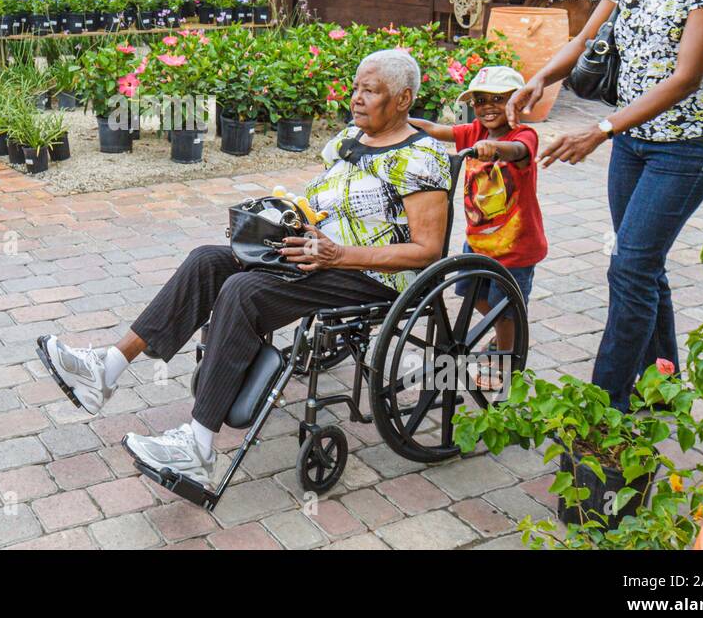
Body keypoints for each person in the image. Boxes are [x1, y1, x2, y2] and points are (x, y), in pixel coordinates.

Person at [37, 49, 451, 489]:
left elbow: (427, 251)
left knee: (242, 290)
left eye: (371, 91)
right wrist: (266, 224)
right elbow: (324, 204)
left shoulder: (421, 159)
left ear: (404, 98)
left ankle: (197, 446)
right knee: (208, 260)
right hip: (315, 253)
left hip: (370, 275)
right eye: (356, 88)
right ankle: (107, 369)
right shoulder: (350, 139)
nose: (357, 98)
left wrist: (339, 255)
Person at [507, 0, 703, 410]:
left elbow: (686, 77)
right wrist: (538, 77)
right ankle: (664, 384)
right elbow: (588, 39)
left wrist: (601, 130)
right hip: (635, 143)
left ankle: (605, 407)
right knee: (644, 265)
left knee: (630, 267)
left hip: (689, 145)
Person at [410, 65, 546, 380]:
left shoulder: (523, 135)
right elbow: (435, 130)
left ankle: (506, 359)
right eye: (481, 100)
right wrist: (400, 121)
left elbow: (518, 151)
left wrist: (494, 149)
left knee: (506, 305)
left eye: (498, 99)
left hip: (516, 247)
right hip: (478, 242)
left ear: (518, 101)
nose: (487, 107)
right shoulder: (475, 132)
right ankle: (504, 331)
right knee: (473, 293)